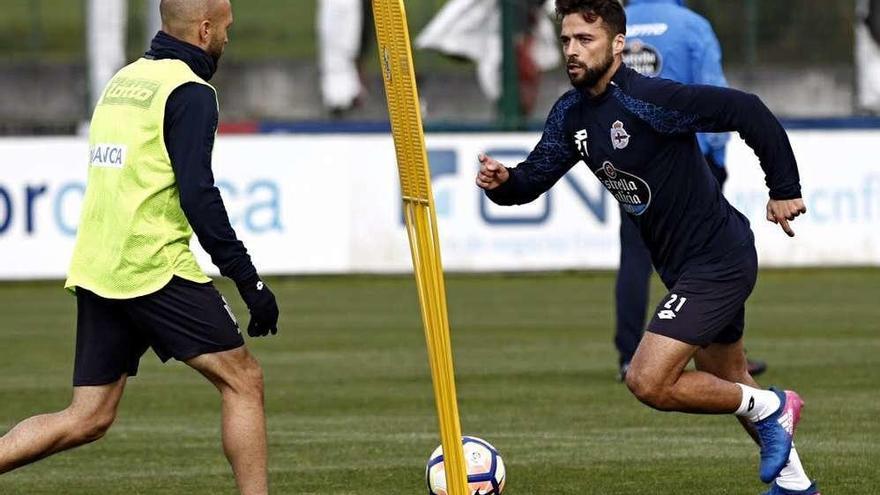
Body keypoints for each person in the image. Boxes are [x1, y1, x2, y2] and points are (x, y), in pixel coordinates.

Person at [475, 1, 818, 493]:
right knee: (730, 377)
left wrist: (783, 187)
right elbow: (533, 178)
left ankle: (775, 406)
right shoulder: (570, 112)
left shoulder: (650, 98)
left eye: (585, 40)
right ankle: (797, 484)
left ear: (618, 45)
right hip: (685, 268)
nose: (573, 50)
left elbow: (748, 110)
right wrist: (503, 180)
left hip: (718, 260)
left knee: (647, 380)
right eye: (567, 40)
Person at [0, 1, 279, 494]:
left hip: (100, 265)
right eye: (227, 29)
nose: (229, 40)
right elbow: (199, 195)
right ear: (205, 28)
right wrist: (249, 280)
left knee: (88, 417)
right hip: (152, 267)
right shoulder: (191, 93)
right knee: (243, 380)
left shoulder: (123, 80)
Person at [614, 0, 766, 380]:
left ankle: (630, 353)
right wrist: (716, 158)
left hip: (630, 164)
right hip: (689, 167)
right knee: (709, 260)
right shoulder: (691, 25)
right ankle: (724, 354)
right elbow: (713, 90)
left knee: (634, 257)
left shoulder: (614, 25)